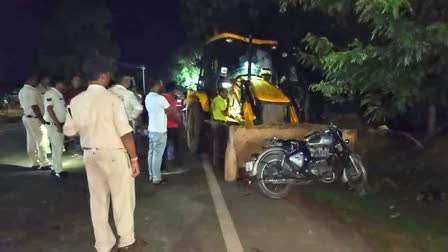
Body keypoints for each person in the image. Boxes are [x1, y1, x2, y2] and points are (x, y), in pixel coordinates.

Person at [63, 57, 146, 252]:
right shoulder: (112, 99)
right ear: (102, 76)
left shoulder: (75, 101)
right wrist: (134, 159)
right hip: (114, 154)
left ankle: (103, 244)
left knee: (98, 201)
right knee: (123, 199)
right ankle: (126, 242)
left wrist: (89, 127)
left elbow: (70, 131)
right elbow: (125, 133)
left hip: (90, 154)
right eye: (107, 74)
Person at [145, 80, 176, 185]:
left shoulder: (148, 97)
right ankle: (156, 178)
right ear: (155, 86)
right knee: (157, 155)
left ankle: (151, 175)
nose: (161, 86)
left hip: (151, 129)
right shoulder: (160, 98)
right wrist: (165, 113)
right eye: (159, 85)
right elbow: (171, 110)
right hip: (160, 130)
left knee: (151, 153)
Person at [18, 75, 51, 170]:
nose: (37, 83)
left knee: (31, 140)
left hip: (26, 117)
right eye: (36, 81)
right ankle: (44, 163)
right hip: (35, 118)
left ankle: (34, 162)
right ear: (31, 80)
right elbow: (34, 106)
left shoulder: (22, 91)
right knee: (40, 140)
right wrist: (42, 119)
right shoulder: (32, 91)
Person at [44, 77, 68, 179]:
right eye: (64, 84)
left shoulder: (58, 94)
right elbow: (49, 109)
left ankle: (54, 168)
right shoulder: (50, 94)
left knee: (55, 148)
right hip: (55, 125)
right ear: (58, 83)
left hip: (57, 124)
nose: (65, 86)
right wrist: (58, 124)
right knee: (58, 148)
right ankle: (59, 171)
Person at [162, 81, 179, 165]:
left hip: (162, 125)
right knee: (171, 142)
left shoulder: (161, 97)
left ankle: (165, 160)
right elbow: (172, 112)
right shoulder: (170, 98)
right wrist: (177, 120)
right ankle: (170, 158)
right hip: (171, 125)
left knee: (165, 144)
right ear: (173, 89)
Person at [37, 75, 52, 155]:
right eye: (46, 79)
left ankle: (51, 150)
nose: (47, 81)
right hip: (43, 114)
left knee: (52, 133)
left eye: (48, 79)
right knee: (43, 134)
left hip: (51, 114)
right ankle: (45, 152)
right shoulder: (37, 89)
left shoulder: (50, 89)